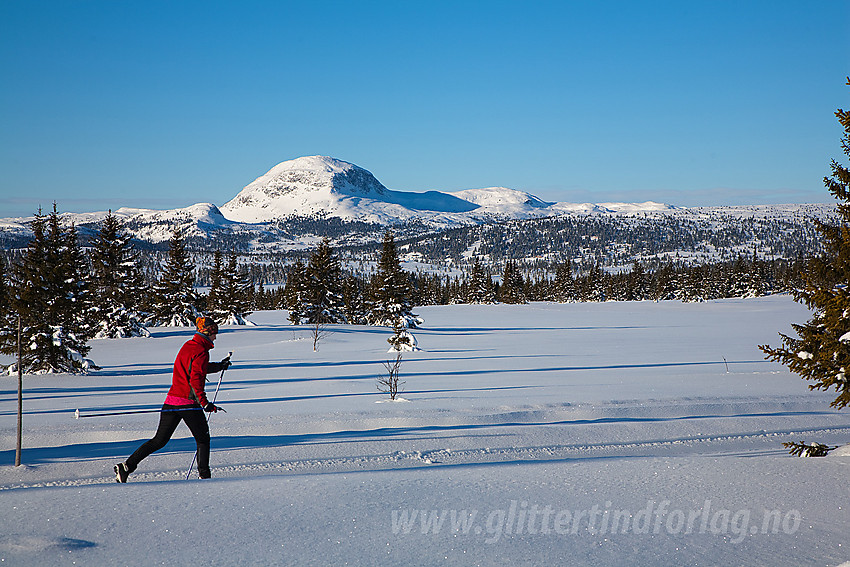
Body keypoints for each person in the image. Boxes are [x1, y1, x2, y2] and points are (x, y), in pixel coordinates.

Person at [114, 317, 231, 482]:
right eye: (214, 333)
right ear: (206, 332)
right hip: (188, 404)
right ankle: (205, 477)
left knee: (159, 440)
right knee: (203, 440)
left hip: (171, 401)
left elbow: (196, 369)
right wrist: (204, 403)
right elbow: (195, 378)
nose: (215, 337)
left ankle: (126, 467)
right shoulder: (201, 351)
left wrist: (219, 366)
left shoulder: (189, 346)